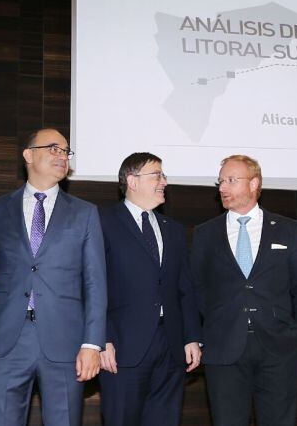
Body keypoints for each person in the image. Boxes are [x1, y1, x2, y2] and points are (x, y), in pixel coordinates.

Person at [0, 128, 107, 425]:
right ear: (28, 155)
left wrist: (92, 345)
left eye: (65, 151)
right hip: (6, 341)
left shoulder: (85, 213)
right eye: (53, 148)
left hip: (65, 342)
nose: (62, 156)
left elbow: (95, 282)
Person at [190, 154, 297, 426]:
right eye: (220, 181)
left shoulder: (287, 229)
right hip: (224, 350)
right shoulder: (205, 233)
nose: (222, 187)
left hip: (280, 348)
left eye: (231, 180)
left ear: (254, 183)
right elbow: (196, 290)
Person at [98, 152, 202, 426]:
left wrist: (191, 337)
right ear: (132, 180)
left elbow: (185, 288)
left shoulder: (174, 229)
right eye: (157, 175)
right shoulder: (101, 221)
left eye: (163, 176)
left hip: (170, 348)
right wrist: (102, 339)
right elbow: (94, 285)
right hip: (121, 347)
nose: (164, 182)